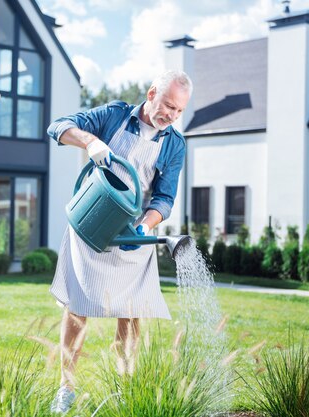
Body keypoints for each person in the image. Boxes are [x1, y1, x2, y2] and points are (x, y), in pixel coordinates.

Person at [47, 70, 193, 413]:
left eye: (178, 111)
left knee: (131, 312)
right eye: (167, 105)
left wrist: (145, 225)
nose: (170, 116)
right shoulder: (114, 115)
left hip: (132, 231)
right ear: (152, 92)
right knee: (78, 309)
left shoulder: (174, 143)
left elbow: (164, 198)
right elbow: (58, 125)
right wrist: (91, 142)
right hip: (91, 225)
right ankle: (65, 388)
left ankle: (124, 388)